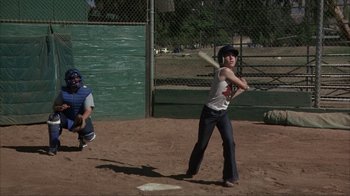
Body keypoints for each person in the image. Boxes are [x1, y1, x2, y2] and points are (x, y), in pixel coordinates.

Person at [185, 45, 249, 187]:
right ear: (222, 59)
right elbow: (242, 85)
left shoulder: (229, 74)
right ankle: (192, 168)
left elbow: (229, 97)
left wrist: (241, 88)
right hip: (210, 113)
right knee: (202, 144)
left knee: (229, 142)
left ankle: (230, 177)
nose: (231, 57)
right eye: (228, 55)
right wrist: (243, 85)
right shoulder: (224, 71)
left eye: (233, 55)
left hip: (223, 113)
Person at [47, 68, 96, 156]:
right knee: (53, 117)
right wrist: (60, 108)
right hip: (67, 119)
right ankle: (54, 145)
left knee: (90, 137)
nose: (75, 80)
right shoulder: (63, 92)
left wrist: (81, 120)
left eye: (77, 78)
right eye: (72, 78)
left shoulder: (86, 92)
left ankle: (82, 138)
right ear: (68, 80)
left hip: (82, 118)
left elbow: (89, 109)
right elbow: (54, 106)